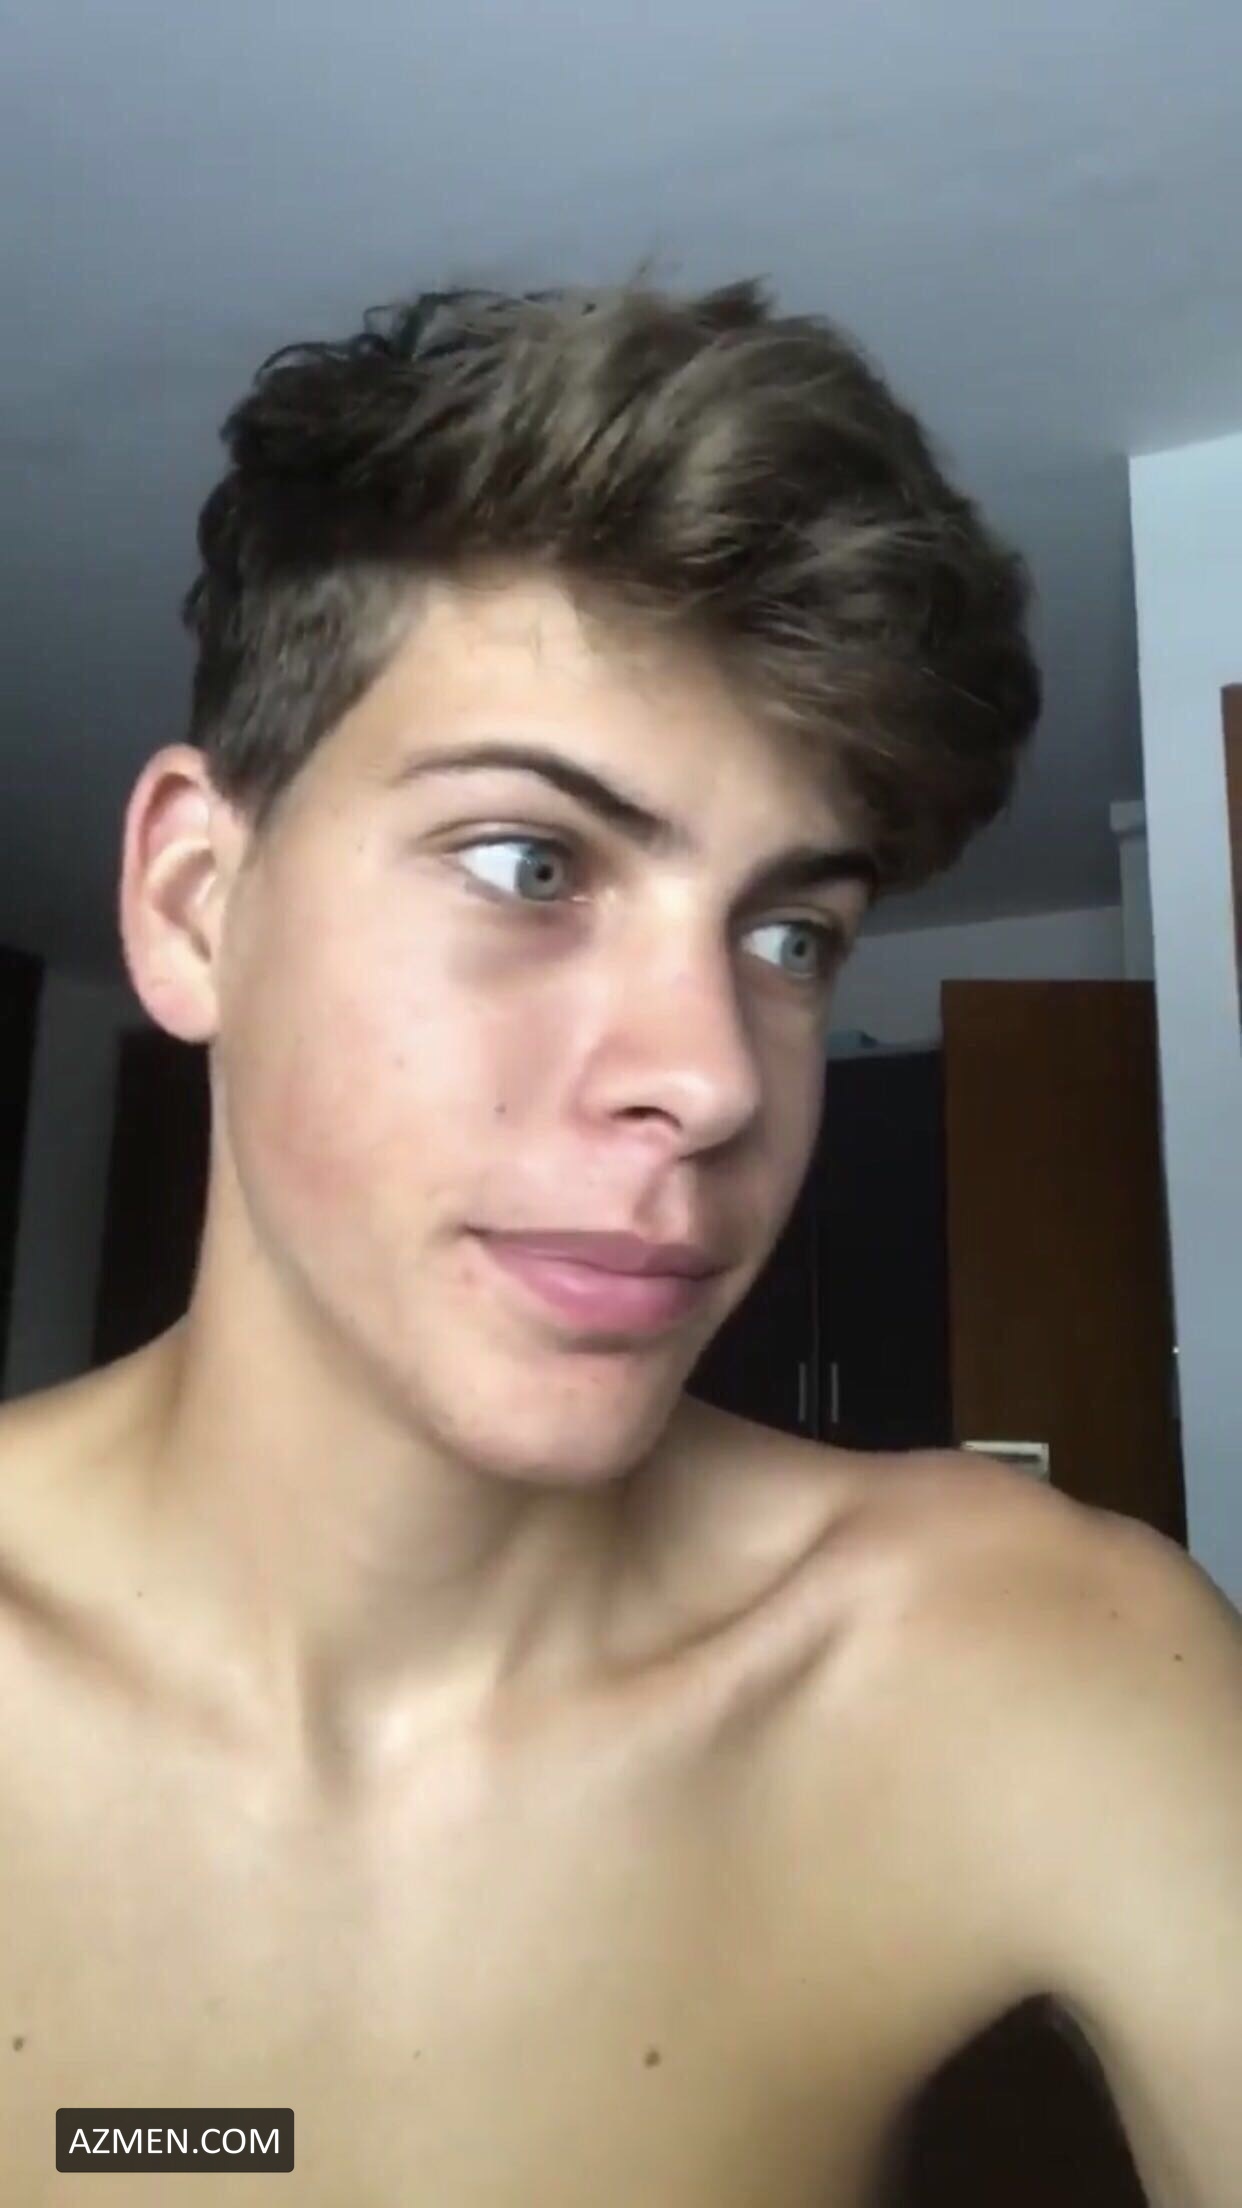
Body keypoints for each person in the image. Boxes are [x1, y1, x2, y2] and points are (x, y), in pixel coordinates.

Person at [0, 275, 1237, 2207]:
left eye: (789, 935)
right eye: (530, 863)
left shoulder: (1030, 1659)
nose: (715, 1078)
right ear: (190, 905)